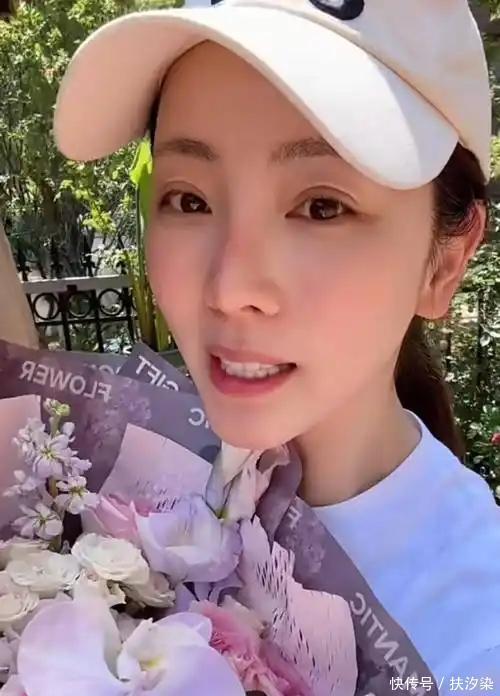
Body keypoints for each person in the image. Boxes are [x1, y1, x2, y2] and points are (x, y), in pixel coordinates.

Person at [53, 0, 500, 693]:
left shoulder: (474, 636)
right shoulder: (98, 490)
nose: (230, 288)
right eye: (189, 199)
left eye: (322, 207)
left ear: (445, 261)